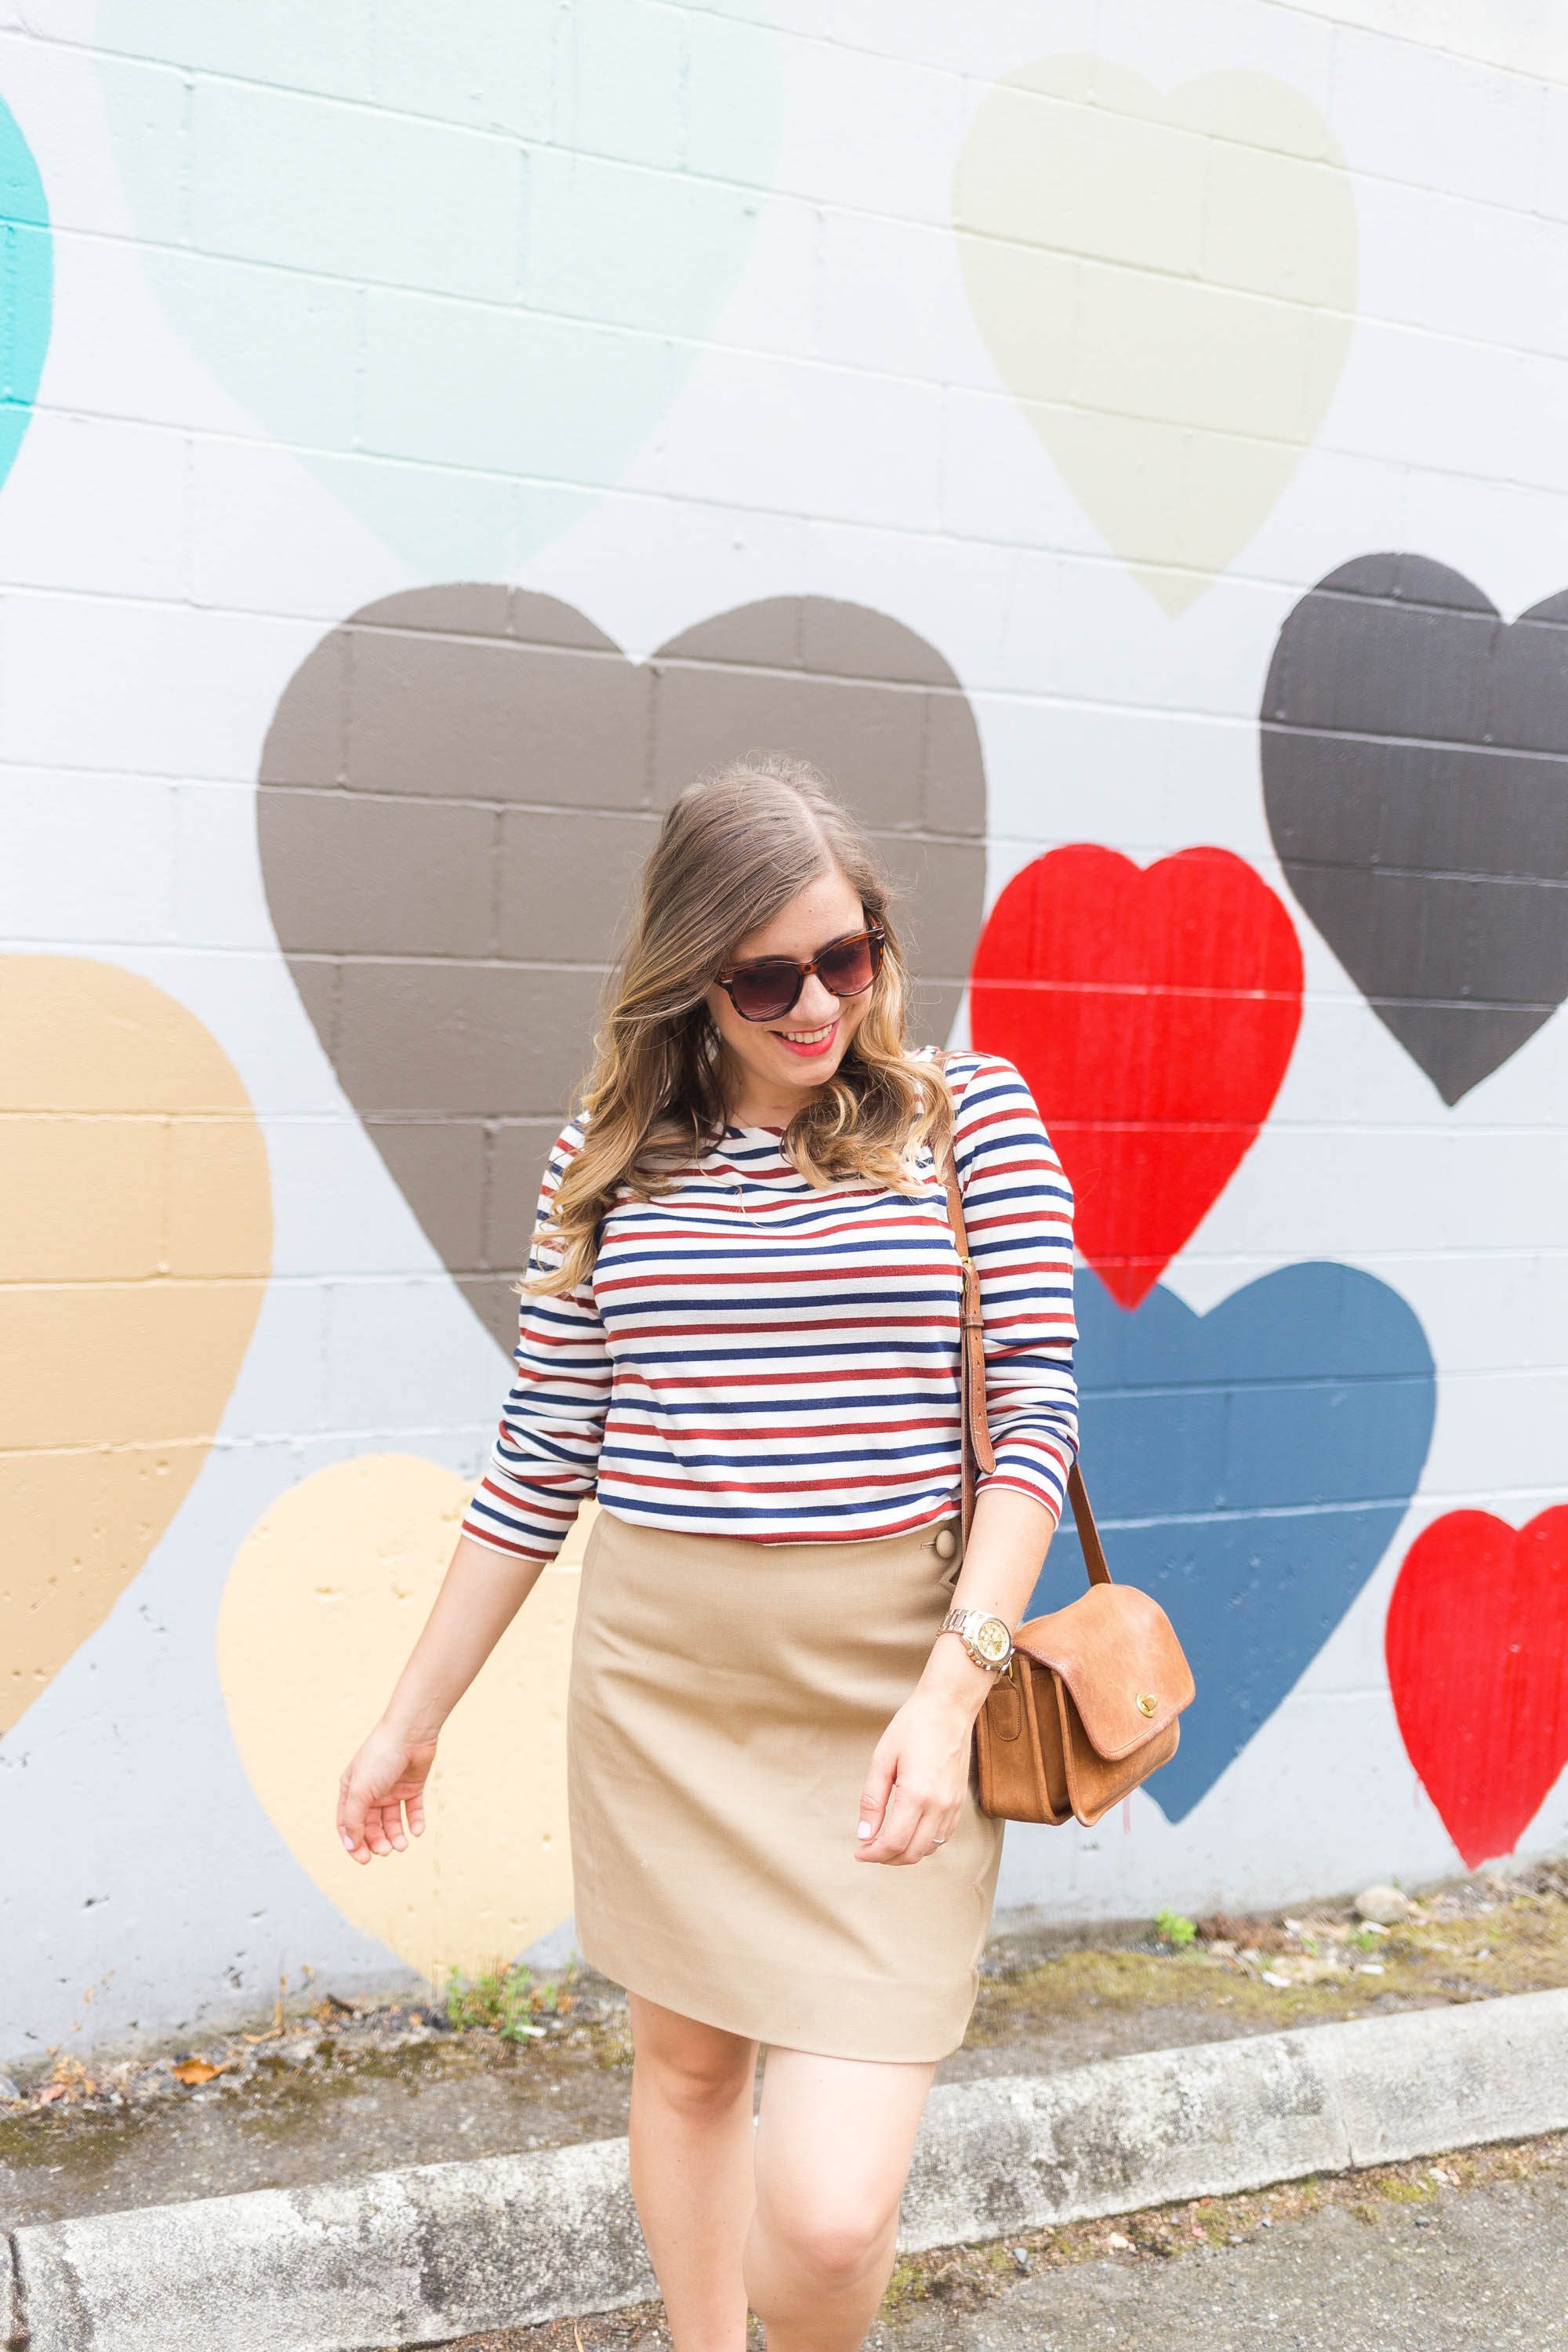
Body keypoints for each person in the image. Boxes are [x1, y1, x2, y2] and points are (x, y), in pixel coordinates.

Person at [337, 755, 1078, 2352]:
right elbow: (543, 1454)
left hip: (895, 1689)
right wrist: (414, 1713)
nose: (817, 1004)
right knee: (685, 2072)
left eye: (846, 955)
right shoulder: (602, 1166)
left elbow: (1034, 1419)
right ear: (689, 979)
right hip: (665, 1687)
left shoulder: (973, 1123)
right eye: (766, 978)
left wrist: (955, 1688)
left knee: (825, 2218)